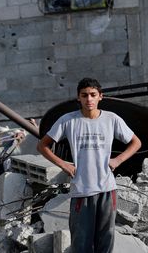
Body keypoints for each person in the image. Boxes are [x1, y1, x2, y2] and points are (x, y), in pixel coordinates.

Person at [37, 77, 141, 253]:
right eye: (84, 95)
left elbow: (135, 142)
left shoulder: (111, 119)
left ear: (101, 96)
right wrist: (64, 165)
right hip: (81, 190)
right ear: (78, 97)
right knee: (81, 242)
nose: (89, 99)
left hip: (107, 189)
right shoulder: (68, 120)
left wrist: (118, 160)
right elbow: (42, 146)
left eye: (93, 95)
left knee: (105, 241)